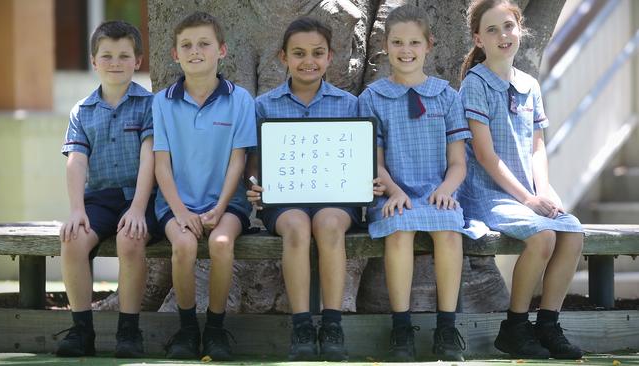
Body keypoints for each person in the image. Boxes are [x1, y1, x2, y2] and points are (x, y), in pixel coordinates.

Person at [246, 17, 382, 361]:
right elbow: (254, 163)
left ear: (330, 57)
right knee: (296, 228)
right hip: (284, 201)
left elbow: (358, 157)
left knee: (329, 225)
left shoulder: (349, 104)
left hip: (336, 200)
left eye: (317, 53)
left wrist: (369, 181)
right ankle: (302, 324)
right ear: (283, 58)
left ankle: (333, 323)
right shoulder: (264, 105)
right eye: (299, 53)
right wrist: (255, 187)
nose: (309, 61)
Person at [458, 0, 584, 359]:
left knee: (572, 233)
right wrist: (529, 201)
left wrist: (542, 190)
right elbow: (485, 155)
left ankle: (547, 325)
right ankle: (514, 326)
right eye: (492, 30)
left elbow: (537, 147)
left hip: (526, 193)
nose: (503, 35)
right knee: (543, 237)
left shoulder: (529, 84)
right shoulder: (475, 84)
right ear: (479, 39)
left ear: (520, 29)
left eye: (508, 27)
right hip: (487, 193)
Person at [358, 4, 473, 362]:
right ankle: (401, 328)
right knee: (400, 230)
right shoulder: (372, 98)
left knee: (450, 230)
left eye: (413, 42)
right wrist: (393, 191)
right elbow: (374, 161)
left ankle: (446, 327)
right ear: (386, 46)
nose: (405, 50)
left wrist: (445, 190)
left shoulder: (447, 96)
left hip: (438, 192)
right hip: (393, 193)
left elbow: (458, 163)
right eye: (397, 43)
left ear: (428, 45)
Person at [153, 11, 256, 361]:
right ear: (175, 54)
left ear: (221, 50)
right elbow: (161, 164)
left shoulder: (240, 99)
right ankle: (186, 329)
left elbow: (238, 160)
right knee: (183, 246)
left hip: (227, 203)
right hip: (175, 202)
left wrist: (220, 207)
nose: (195, 51)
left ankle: (214, 329)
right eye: (186, 45)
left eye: (203, 44)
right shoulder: (162, 102)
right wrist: (181, 213)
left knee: (222, 244)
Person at [57, 20, 159, 358]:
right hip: (99, 199)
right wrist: (77, 210)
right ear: (94, 61)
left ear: (137, 61)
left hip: (140, 196)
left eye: (124, 56)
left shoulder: (150, 105)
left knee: (131, 240)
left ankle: (129, 332)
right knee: (72, 240)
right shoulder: (82, 111)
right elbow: (76, 161)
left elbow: (150, 159)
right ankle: (81, 330)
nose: (115, 62)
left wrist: (137, 208)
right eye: (107, 56)